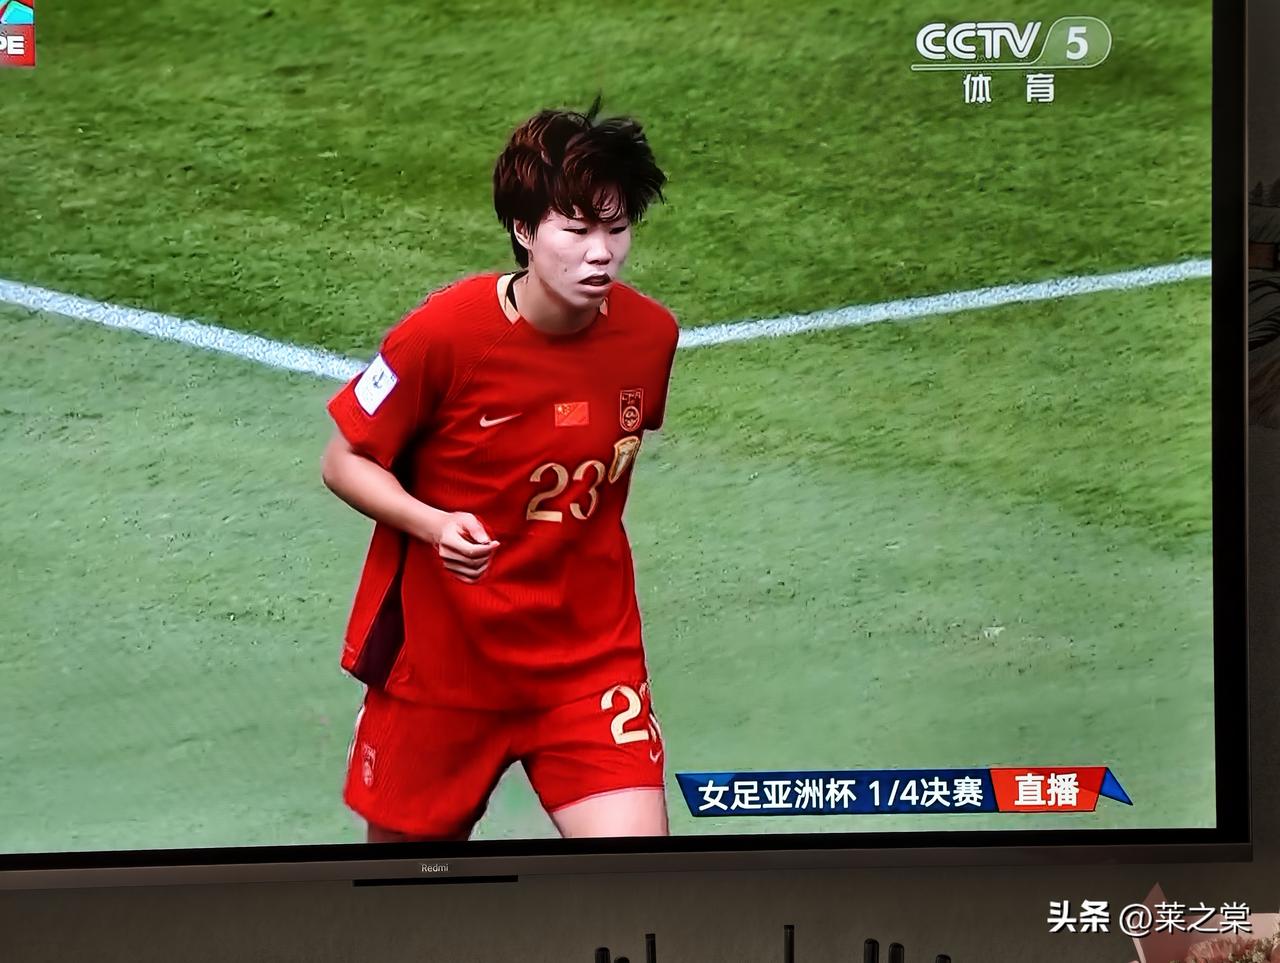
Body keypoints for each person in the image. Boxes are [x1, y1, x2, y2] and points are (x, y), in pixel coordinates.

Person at [321, 97, 678, 842]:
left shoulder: (650, 337)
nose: (601, 253)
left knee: (642, 883)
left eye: (616, 229)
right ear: (523, 229)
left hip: (589, 664)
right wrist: (433, 523)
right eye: (576, 230)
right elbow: (343, 460)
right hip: (443, 669)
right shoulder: (444, 333)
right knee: (409, 896)